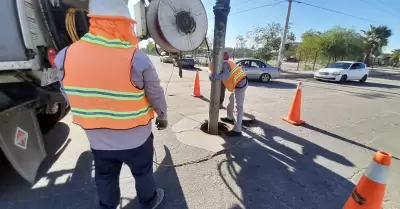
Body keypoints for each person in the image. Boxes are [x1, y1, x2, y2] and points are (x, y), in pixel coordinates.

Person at [54, 0, 167, 208]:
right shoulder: (137, 58)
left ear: (94, 21)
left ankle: (108, 206)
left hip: (98, 140)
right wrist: (162, 115)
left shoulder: (64, 57)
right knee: (143, 173)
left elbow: (68, 95)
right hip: (137, 138)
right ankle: (149, 201)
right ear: (122, 23)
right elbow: (155, 94)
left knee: (105, 177)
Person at [210, 52, 248, 136]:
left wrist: (215, 76)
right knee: (231, 102)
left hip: (240, 84)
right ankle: (230, 118)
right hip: (237, 83)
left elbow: (226, 74)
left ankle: (237, 130)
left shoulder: (225, 64)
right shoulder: (225, 63)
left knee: (238, 106)